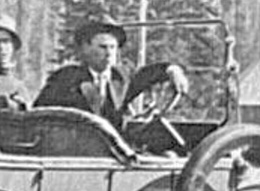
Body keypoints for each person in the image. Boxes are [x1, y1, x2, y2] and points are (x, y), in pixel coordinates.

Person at [35, 17, 189, 128]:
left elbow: (147, 75)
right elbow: (38, 113)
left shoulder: (121, 78)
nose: (109, 53)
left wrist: (172, 69)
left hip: (115, 152)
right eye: (102, 47)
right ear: (86, 49)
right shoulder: (65, 79)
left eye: (113, 48)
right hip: (74, 152)